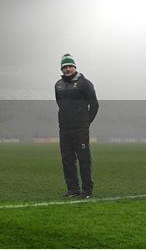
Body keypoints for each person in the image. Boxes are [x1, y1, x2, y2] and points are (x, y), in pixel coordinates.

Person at [55, 54, 99, 199]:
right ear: (62, 69)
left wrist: (86, 122)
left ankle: (87, 190)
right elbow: (60, 105)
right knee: (67, 159)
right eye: (64, 67)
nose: (67, 69)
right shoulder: (58, 85)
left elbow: (94, 105)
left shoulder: (84, 84)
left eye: (70, 66)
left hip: (80, 130)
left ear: (75, 67)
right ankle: (73, 189)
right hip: (64, 130)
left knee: (84, 160)